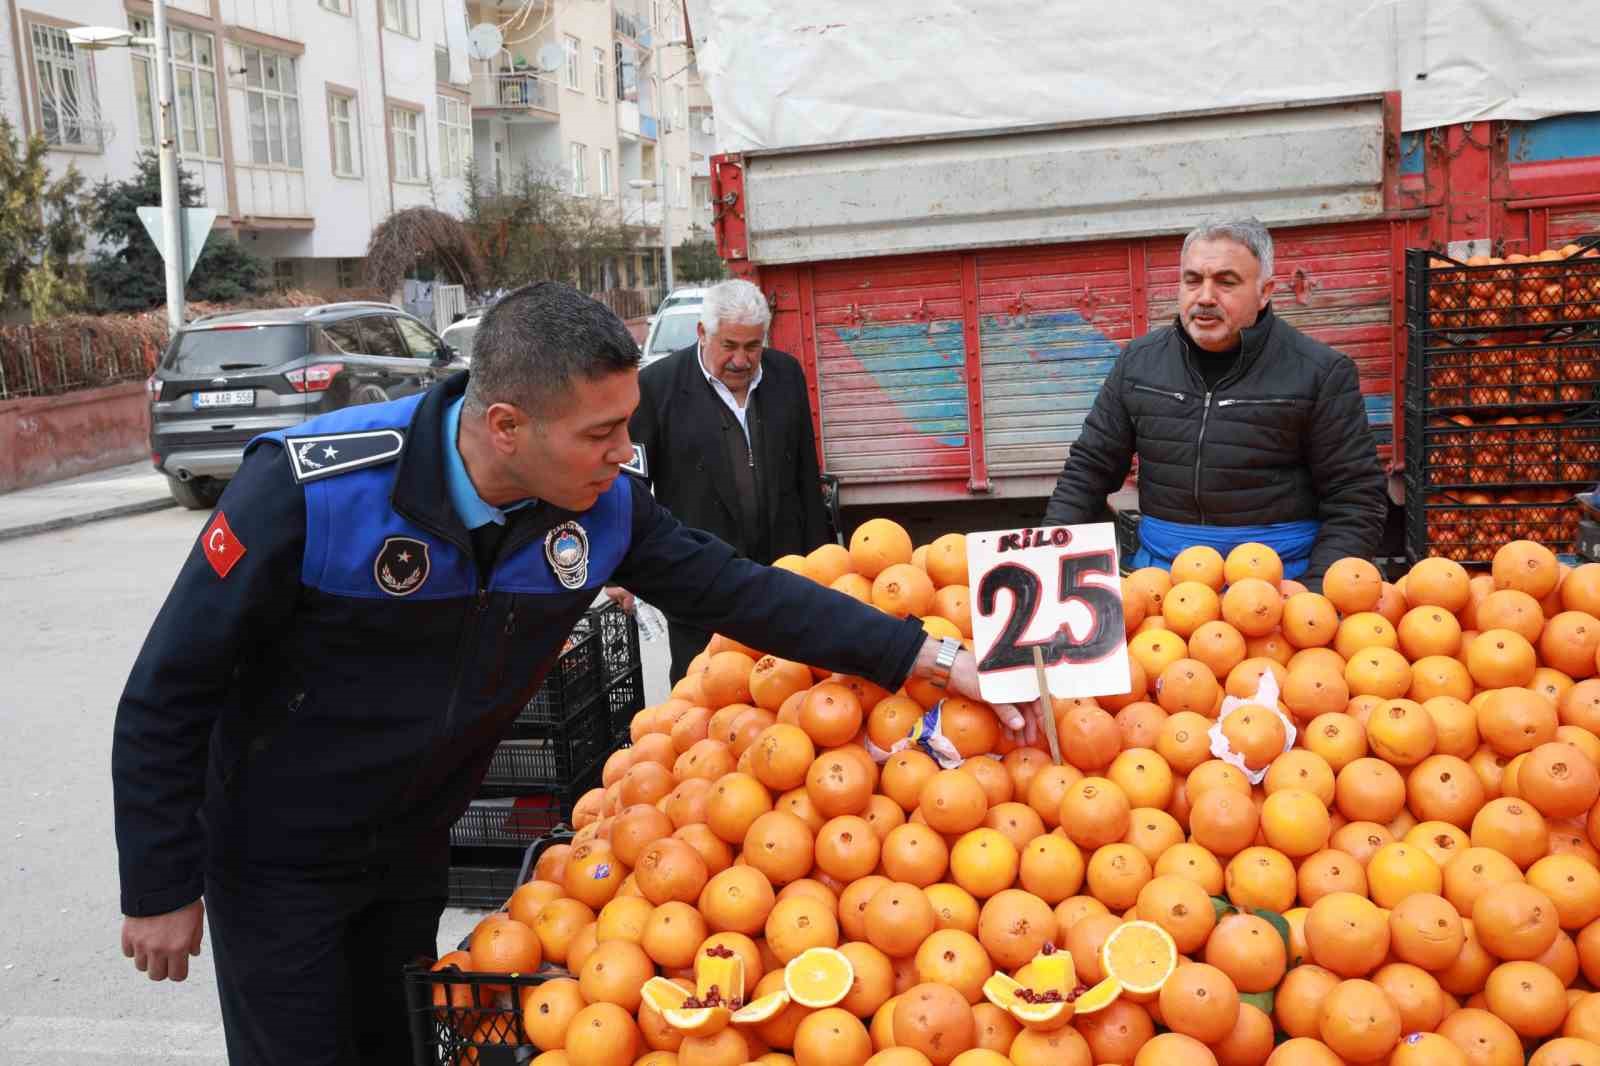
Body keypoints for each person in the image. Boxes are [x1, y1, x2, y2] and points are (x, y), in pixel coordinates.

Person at [111, 282, 1027, 1066]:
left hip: (409, 853)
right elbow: (169, 689)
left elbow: (745, 592)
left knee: (394, 1048)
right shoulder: (314, 493)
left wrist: (926, 655)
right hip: (278, 857)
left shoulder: (597, 510)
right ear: (507, 427)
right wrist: (160, 884)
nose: (626, 452)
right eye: (602, 433)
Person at [1043, 217, 1386, 586]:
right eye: (1193, 280)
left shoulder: (1321, 372)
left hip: (1280, 586)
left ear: (1264, 291)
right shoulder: (1139, 363)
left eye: (1226, 281)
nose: (1205, 297)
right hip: (1163, 582)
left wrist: (1318, 592)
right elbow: (1089, 470)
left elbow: (1355, 498)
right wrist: (1045, 559)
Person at [618, 279, 831, 682]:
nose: (742, 360)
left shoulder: (785, 374)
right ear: (702, 333)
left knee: (788, 686)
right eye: (729, 345)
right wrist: (621, 572)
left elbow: (806, 473)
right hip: (699, 579)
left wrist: (822, 562)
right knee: (705, 693)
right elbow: (630, 487)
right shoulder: (657, 387)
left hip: (782, 573)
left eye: (753, 347)